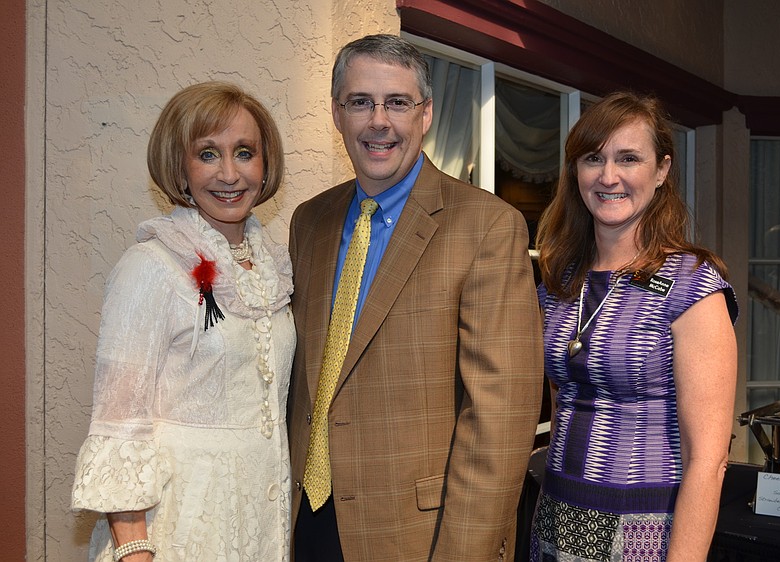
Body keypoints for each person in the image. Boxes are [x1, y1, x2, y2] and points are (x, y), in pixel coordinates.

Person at [287, 34, 543, 561]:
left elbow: (500, 421)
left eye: (397, 103)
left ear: (425, 114)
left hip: (420, 539)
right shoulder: (308, 222)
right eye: (360, 102)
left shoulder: (486, 226)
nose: (378, 121)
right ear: (338, 114)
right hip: (304, 522)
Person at [71, 81, 295, 561]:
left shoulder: (274, 268)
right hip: (178, 529)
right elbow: (119, 423)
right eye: (208, 154)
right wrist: (136, 551)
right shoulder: (151, 266)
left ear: (265, 162)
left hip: (259, 527)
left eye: (244, 152)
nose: (230, 173)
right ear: (180, 166)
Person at [531, 91, 738, 561]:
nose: (609, 177)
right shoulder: (560, 278)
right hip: (557, 518)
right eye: (593, 158)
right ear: (575, 171)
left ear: (661, 170)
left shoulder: (693, 285)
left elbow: (709, 459)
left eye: (629, 158)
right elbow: (566, 399)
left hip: (644, 531)